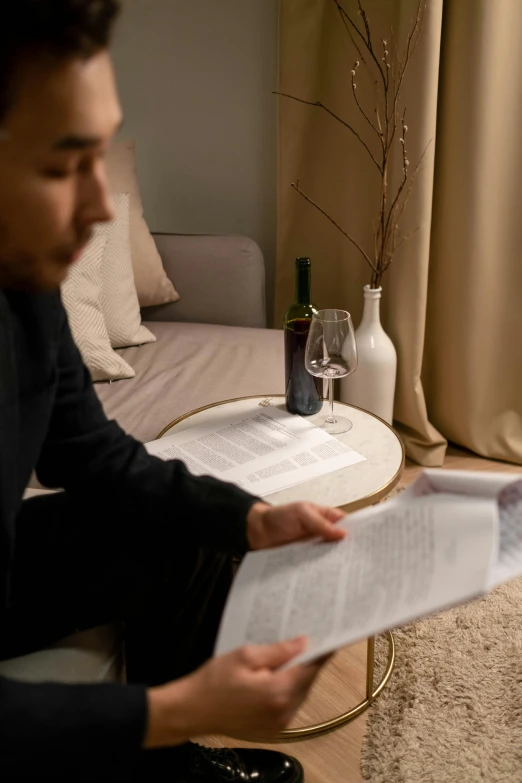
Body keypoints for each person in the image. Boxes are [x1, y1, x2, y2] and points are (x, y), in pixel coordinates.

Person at [0, 2, 348, 779]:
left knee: (190, 530)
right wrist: (181, 704)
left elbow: (91, 453)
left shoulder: (24, 286)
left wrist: (250, 518)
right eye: (63, 165)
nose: (100, 210)